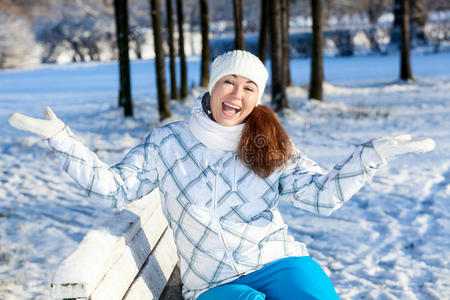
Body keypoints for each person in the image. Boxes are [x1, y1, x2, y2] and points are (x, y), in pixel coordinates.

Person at [8, 50, 435, 300]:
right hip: (212, 281)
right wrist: (63, 140)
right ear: (212, 87)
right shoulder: (167, 143)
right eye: (229, 82)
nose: (237, 93)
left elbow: (321, 198)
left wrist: (371, 156)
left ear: (257, 97)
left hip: (278, 260)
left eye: (249, 87)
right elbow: (114, 188)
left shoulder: (269, 142)